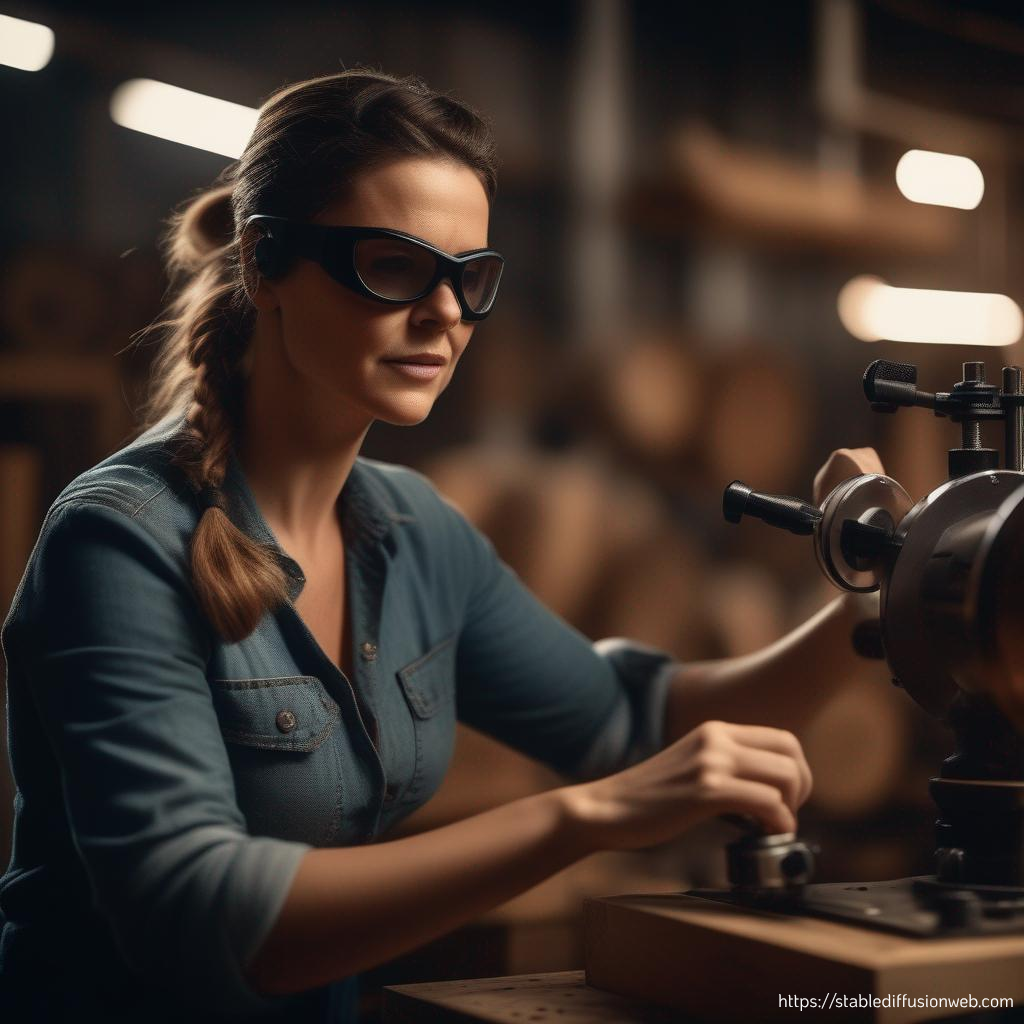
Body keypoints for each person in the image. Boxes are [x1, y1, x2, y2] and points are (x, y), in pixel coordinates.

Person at [0, 68, 885, 1022]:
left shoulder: (415, 534)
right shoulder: (120, 542)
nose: (446, 314)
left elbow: (636, 719)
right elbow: (197, 914)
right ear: (265, 266)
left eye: (471, 278)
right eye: (394, 266)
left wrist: (874, 592)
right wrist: (585, 816)